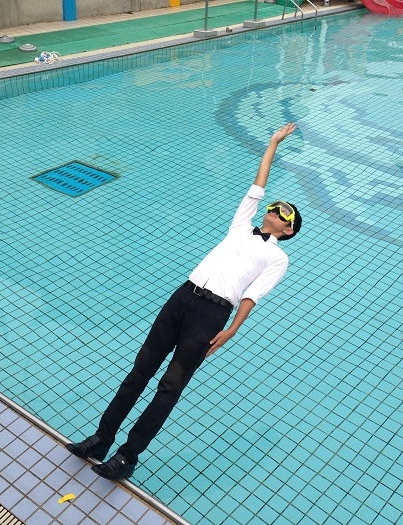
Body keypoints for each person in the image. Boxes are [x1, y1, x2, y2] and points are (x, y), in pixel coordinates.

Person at [67, 122, 302, 480]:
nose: (274, 209)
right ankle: (101, 439)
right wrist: (273, 143)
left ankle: (128, 457)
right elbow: (258, 187)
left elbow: (252, 295)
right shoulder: (242, 225)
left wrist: (232, 330)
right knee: (139, 372)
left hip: (212, 314)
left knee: (169, 387)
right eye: (274, 206)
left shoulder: (277, 258)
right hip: (183, 296)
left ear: (288, 230)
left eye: (283, 212)